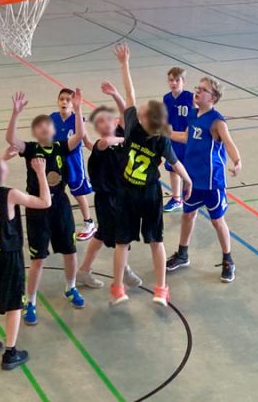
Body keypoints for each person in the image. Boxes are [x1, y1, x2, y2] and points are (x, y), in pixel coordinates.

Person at [109, 43, 193, 308]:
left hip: (129, 192)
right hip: (149, 194)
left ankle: (118, 288)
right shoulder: (162, 138)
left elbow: (129, 93)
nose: (139, 109)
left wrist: (124, 64)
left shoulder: (132, 126)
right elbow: (175, 163)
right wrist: (188, 180)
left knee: (123, 243)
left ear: (145, 119)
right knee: (156, 242)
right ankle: (161, 289)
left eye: (142, 110)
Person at [5, 89, 88, 325]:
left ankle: (71, 288)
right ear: (35, 132)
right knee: (38, 259)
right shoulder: (31, 149)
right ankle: (30, 301)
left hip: (60, 204)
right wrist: (15, 113)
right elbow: (11, 139)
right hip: (37, 207)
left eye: (47, 125)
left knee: (70, 251)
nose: (44, 128)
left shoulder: (61, 146)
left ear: (53, 129)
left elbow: (80, 135)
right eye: (39, 126)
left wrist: (78, 109)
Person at [0, 152, 51, 370]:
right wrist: (41, 173)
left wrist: (3, 158)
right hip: (8, 257)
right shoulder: (11, 194)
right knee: (14, 304)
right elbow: (45, 202)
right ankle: (10, 352)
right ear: (1, 174)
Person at [165, 77, 242, 283]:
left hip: (211, 182)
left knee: (217, 221)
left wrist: (237, 161)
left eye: (203, 90)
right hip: (192, 179)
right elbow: (185, 137)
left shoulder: (217, 121)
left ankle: (228, 260)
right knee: (188, 215)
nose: (197, 92)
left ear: (213, 98)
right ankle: (183, 254)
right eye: (197, 88)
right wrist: (166, 132)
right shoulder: (192, 114)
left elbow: (229, 143)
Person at [76, 81, 142, 290]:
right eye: (100, 122)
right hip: (107, 199)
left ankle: (84, 270)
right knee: (121, 237)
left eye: (108, 119)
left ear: (115, 122)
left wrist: (115, 94)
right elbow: (106, 142)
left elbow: (126, 112)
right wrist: (126, 140)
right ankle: (124, 272)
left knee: (103, 235)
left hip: (122, 196)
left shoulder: (121, 133)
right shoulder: (101, 145)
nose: (104, 123)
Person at [50, 88, 96, 242]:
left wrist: (102, 151)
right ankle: (54, 223)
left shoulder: (77, 120)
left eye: (68, 100)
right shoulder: (52, 118)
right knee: (55, 192)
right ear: (57, 101)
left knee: (78, 193)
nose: (64, 102)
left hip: (73, 162)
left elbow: (87, 142)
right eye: (61, 99)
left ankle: (89, 223)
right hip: (56, 161)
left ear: (73, 103)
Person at [162, 67, 194, 213]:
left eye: (177, 80)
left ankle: (196, 194)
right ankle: (176, 198)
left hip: (187, 140)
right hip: (173, 140)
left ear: (183, 82)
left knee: (191, 168)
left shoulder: (190, 98)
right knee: (173, 168)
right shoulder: (167, 98)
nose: (174, 83)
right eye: (171, 80)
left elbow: (196, 115)